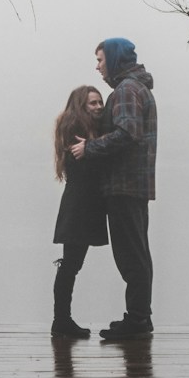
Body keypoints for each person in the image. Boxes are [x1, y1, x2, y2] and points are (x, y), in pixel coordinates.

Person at [70, 37, 156, 342]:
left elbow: (127, 134)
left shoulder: (127, 90)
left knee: (131, 255)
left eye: (100, 60)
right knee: (136, 253)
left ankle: (137, 320)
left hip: (125, 186)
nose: (97, 67)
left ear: (116, 59)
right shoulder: (133, 88)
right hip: (131, 186)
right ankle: (139, 317)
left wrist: (90, 147)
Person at [50, 85, 107, 338]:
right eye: (92, 104)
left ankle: (62, 320)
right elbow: (85, 168)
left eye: (99, 103)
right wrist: (97, 147)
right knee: (70, 264)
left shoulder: (87, 130)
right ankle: (61, 320)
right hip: (79, 205)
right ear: (80, 106)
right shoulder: (75, 129)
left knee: (71, 264)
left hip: (82, 204)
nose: (98, 107)